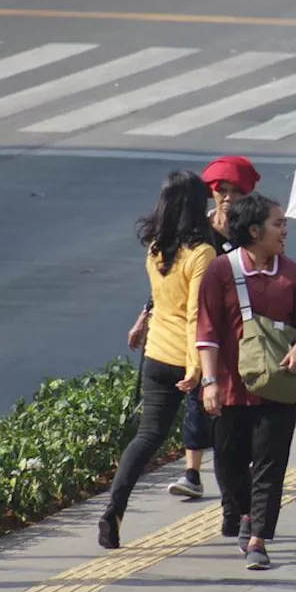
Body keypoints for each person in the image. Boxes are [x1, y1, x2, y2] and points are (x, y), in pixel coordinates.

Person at [196, 193, 296, 570]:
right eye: (277, 224)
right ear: (254, 230)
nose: (285, 231)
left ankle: (258, 539)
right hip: (233, 388)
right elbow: (207, 330)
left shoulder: (292, 273)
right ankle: (244, 512)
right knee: (229, 464)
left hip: (280, 386)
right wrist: (210, 381)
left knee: (270, 463)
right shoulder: (220, 271)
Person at [126, 156, 260, 499]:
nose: (227, 197)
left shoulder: (251, 230)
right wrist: (145, 316)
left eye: (235, 191)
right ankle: (192, 473)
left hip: (236, 326)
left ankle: (237, 476)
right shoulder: (198, 232)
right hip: (201, 332)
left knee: (227, 407)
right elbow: (171, 281)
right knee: (198, 402)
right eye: (221, 190)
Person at [99, 170, 217, 549]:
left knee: (147, 437)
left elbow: (162, 303)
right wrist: (198, 368)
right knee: (229, 434)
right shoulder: (202, 253)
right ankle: (241, 518)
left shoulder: (155, 248)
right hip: (190, 359)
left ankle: (114, 508)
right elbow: (197, 313)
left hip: (156, 357)